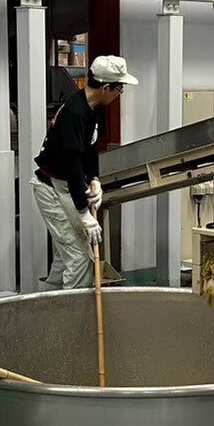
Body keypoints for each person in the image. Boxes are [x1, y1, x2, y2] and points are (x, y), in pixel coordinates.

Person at [31, 55, 137, 288]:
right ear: (106, 88)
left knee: (67, 251)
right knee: (79, 256)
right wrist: (83, 213)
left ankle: (50, 304)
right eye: (120, 88)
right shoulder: (74, 113)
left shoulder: (95, 108)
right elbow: (73, 167)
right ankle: (73, 309)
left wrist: (95, 179)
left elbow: (90, 149)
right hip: (51, 189)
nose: (120, 93)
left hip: (66, 186)